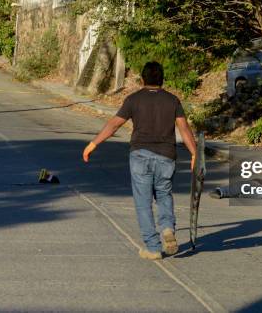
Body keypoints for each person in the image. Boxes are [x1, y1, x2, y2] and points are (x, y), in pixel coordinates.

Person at [83, 62, 197, 260]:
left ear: (142, 80)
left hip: (140, 156)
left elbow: (114, 124)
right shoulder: (173, 101)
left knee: (143, 202)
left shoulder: (133, 100)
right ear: (162, 80)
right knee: (164, 194)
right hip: (166, 156)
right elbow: (184, 128)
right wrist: (195, 153)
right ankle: (168, 228)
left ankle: (153, 247)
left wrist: (93, 144)